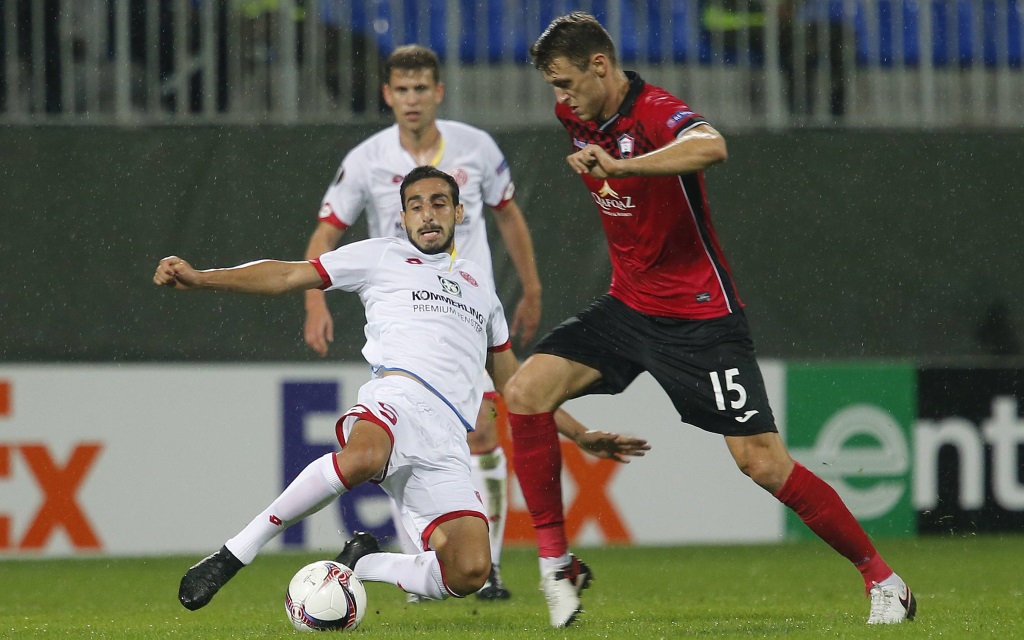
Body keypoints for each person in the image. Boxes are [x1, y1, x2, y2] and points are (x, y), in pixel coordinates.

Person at [502, 12, 917, 629]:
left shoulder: (655, 112)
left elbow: (712, 146)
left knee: (761, 462)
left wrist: (627, 166)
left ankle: (884, 581)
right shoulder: (578, 116)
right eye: (553, 88)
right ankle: (556, 564)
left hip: (699, 318)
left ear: (600, 66)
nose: (559, 99)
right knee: (524, 390)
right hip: (627, 307)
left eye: (564, 83)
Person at [157, 166, 649, 611]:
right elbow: (287, 274)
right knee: (363, 457)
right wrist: (202, 279)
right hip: (395, 397)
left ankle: (361, 564)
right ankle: (233, 553)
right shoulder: (379, 257)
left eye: (438, 203)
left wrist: (580, 434)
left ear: (459, 212)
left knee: (470, 571)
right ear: (403, 217)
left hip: (448, 441)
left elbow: (516, 386)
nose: (427, 214)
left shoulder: (483, 289)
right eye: (415, 205)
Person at [303, 44, 544, 600]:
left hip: (467, 316)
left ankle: (489, 567)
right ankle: (428, 559)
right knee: (400, 442)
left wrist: (530, 287)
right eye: (401, 90)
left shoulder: (476, 148)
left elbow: (509, 216)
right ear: (388, 95)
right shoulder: (366, 159)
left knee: (483, 430)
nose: (412, 100)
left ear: (438, 92)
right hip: (408, 319)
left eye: (421, 88)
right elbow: (326, 232)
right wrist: (315, 302)